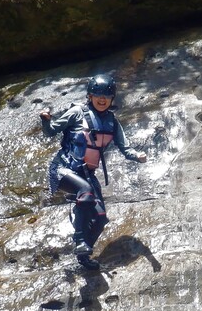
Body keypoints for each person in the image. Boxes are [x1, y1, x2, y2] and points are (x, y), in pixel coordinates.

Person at [40, 74, 147, 268]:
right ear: (90, 96)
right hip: (62, 169)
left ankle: (83, 256)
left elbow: (125, 147)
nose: (102, 99)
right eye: (98, 95)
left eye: (107, 96)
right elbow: (50, 130)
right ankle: (79, 239)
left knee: (100, 218)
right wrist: (46, 120)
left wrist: (137, 156)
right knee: (85, 191)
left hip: (86, 175)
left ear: (112, 99)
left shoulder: (112, 122)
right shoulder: (77, 112)